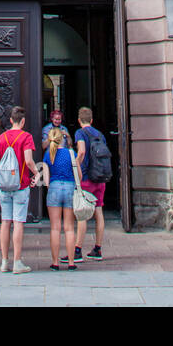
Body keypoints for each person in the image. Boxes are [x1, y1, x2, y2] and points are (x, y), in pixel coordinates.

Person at [0, 105, 41, 275]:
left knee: (5, 222)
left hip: (4, 185)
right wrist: (37, 173)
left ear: (11, 120)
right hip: (20, 185)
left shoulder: (1, 138)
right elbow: (28, 161)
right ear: (23, 121)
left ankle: (4, 262)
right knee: (18, 223)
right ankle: (17, 262)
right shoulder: (26, 137)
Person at [75, 107, 108, 262]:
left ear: (79, 120)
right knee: (98, 211)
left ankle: (77, 250)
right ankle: (98, 248)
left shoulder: (80, 133)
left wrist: (76, 165)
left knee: (83, 214)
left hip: (87, 177)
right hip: (100, 177)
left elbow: (81, 151)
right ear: (92, 120)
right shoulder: (99, 134)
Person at [41, 128, 77, 271]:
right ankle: (71, 263)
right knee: (69, 228)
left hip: (54, 189)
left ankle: (55, 263)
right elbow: (78, 175)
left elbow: (46, 179)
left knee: (55, 228)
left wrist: (50, 189)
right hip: (69, 188)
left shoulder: (48, 154)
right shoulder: (71, 153)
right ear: (63, 139)